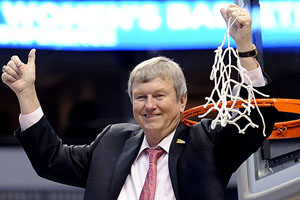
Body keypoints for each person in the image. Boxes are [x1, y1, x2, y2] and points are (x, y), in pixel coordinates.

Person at [1, 4, 277, 200]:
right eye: (140, 97)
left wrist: (244, 47)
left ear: (182, 101)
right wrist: (26, 93)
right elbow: (50, 160)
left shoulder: (206, 142)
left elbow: (259, 122)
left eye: (159, 96)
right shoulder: (113, 140)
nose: (149, 105)